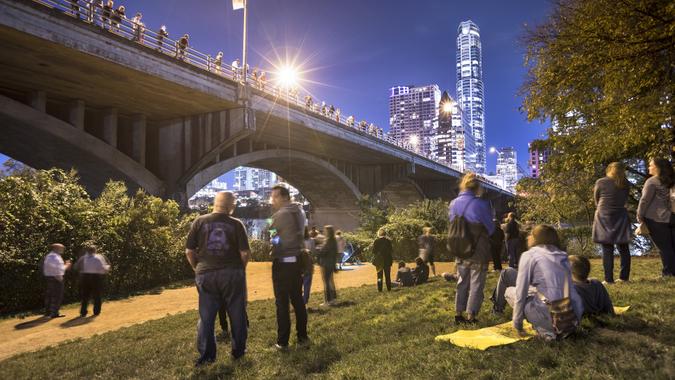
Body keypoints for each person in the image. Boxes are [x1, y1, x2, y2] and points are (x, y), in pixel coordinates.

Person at [185, 191, 250, 365]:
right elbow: (245, 253)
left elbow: (189, 251)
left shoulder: (199, 221)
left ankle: (207, 356)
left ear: (215, 203)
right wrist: (240, 269)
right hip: (232, 274)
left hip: (206, 273)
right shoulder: (236, 224)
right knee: (237, 314)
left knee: (206, 317)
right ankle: (238, 352)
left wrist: (197, 267)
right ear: (230, 206)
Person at [505, 225, 584, 340]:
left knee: (509, 291)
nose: (528, 237)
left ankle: (545, 330)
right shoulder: (563, 256)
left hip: (548, 315)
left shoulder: (529, 255)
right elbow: (573, 294)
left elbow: (520, 294)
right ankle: (557, 330)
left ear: (537, 238)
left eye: (531, 234)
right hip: (568, 319)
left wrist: (517, 325)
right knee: (542, 295)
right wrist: (576, 320)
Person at [448, 172, 495, 324]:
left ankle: (458, 313)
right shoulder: (481, 204)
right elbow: (491, 228)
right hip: (478, 249)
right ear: (477, 187)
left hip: (460, 248)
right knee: (476, 283)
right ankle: (471, 315)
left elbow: (452, 222)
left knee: (462, 281)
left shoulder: (453, 203)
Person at [268, 184, 310, 350]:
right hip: (297, 262)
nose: (272, 200)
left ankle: (282, 341)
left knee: (282, 304)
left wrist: (274, 242)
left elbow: (273, 237)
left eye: (275, 196)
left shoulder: (280, 214)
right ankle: (302, 337)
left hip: (283, 263)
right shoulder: (299, 212)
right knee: (298, 301)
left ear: (285, 197)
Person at [593, 162, 632, 283]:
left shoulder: (601, 182)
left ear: (609, 170)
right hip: (620, 215)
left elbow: (597, 199)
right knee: (624, 247)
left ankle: (608, 279)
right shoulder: (626, 184)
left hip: (604, 216)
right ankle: (624, 278)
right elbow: (625, 199)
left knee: (607, 248)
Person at [637, 158, 675, 277]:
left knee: (664, 247)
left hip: (655, 218)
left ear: (658, 167)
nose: (649, 167)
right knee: (672, 246)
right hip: (672, 217)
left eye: (651, 165)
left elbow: (644, 201)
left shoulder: (652, 181)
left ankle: (668, 273)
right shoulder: (672, 181)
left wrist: (640, 216)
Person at [75, 244, 110, 317]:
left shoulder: (83, 258)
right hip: (95, 277)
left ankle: (83, 312)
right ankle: (96, 311)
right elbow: (103, 268)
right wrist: (107, 268)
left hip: (85, 277)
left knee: (85, 295)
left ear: (87, 251)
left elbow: (77, 267)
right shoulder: (99, 258)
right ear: (95, 250)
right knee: (97, 295)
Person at [42, 243, 71, 318]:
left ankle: (48, 312)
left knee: (50, 295)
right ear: (56, 249)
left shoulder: (49, 256)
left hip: (49, 277)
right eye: (61, 248)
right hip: (56, 278)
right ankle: (54, 313)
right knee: (57, 296)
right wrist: (66, 266)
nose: (62, 250)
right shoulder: (55, 257)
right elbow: (58, 269)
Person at [316, 225, 338, 306]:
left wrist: (318, 249)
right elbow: (335, 253)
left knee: (327, 282)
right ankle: (334, 298)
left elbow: (323, 252)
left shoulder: (328, 241)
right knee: (331, 281)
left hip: (326, 263)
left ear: (328, 232)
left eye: (325, 230)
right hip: (331, 263)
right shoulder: (334, 240)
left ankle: (328, 301)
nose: (324, 232)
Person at [302, 226, 316, 305]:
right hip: (309, 263)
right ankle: (305, 300)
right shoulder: (311, 241)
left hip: (300, 265)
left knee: (298, 284)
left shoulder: (298, 241)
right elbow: (313, 252)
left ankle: (299, 300)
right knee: (307, 283)